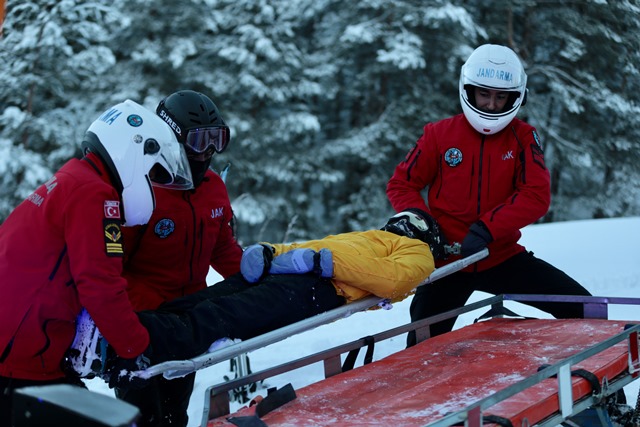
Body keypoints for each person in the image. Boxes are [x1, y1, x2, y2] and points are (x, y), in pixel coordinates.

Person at [0, 99, 194, 427]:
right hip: (20, 362)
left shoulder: (74, 178)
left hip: (25, 352)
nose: (153, 183)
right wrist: (135, 346)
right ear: (136, 151)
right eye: (153, 171)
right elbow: (100, 283)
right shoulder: (95, 194)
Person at [386, 44, 592, 347]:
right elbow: (401, 184)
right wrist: (425, 227)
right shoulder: (439, 135)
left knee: (586, 309)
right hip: (447, 263)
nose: (492, 105)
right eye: (484, 94)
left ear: (515, 97)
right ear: (469, 91)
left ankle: (591, 387)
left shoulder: (522, 137)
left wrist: (486, 229)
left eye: (500, 97)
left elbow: (536, 195)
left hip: (501, 255)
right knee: (421, 347)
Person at [70, 210, 437, 377]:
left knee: (228, 315)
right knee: (203, 301)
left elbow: (393, 281)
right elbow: (309, 246)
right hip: (294, 273)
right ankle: (116, 329)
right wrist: (271, 252)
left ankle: (127, 344)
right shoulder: (366, 236)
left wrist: (325, 264)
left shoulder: (417, 251)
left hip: (320, 288)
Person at [114, 90, 244, 427]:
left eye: (217, 139)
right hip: (143, 322)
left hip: (189, 319)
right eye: (199, 141)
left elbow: (223, 249)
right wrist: (125, 324)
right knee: (142, 417)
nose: (208, 152)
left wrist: (255, 278)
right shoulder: (141, 189)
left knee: (175, 414)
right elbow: (111, 265)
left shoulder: (214, 187)